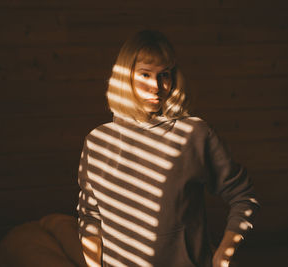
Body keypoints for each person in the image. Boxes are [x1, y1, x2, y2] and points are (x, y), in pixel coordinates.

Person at [77, 30, 260, 267]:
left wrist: (223, 255)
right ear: (125, 77)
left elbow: (243, 196)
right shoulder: (97, 141)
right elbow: (90, 216)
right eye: (144, 74)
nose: (156, 86)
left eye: (164, 74)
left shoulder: (194, 134)